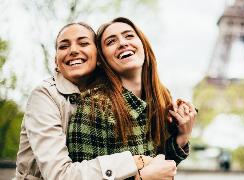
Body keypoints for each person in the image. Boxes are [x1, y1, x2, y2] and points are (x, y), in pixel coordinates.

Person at [15, 22, 176, 180]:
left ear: (99, 57)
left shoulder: (113, 97)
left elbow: (161, 169)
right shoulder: (44, 96)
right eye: (63, 46)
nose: (73, 50)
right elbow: (60, 175)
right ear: (56, 61)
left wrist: (180, 136)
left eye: (83, 43)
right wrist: (135, 164)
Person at [66, 17, 197, 180]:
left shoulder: (161, 99)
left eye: (129, 36)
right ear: (102, 60)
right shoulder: (93, 106)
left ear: (143, 44)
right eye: (111, 41)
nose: (122, 43)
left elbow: (161, 169)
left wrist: (182, 137)